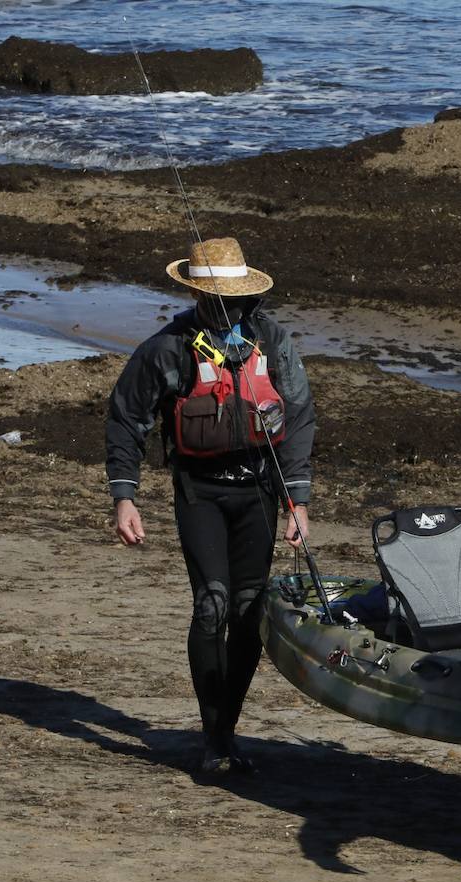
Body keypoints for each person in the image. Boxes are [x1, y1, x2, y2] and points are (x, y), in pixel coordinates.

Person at [106, 237, 316, 774]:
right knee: (212, 605)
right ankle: (212, 737)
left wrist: (298, 499)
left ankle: (227, 728)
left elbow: (297, 416)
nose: (228, 308)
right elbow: (127, 419)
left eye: (236, 299)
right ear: (197, 296)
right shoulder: (167, 348)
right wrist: (124, 497)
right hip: (199, 492)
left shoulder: (271, 340)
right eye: (216, 299)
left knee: (249, 612)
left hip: (260, 493)